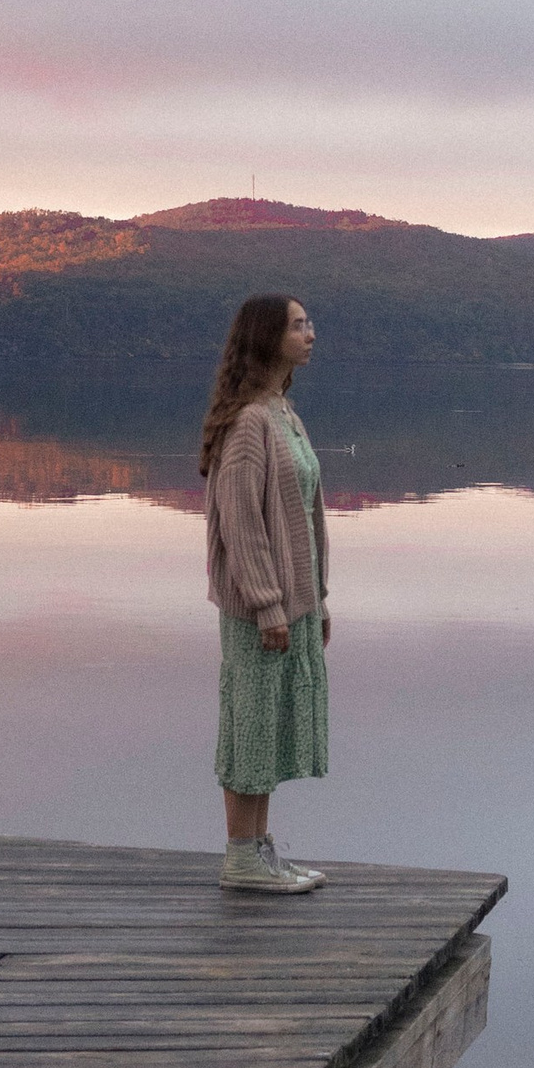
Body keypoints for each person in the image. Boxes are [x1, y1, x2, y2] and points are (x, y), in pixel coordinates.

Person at [199, 291, 329, 895]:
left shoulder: (282, 412)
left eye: (308, 324)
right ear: (268, 338)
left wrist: (317, 597)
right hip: (260, 608)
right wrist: (268, 604)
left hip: (291, 602)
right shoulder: (252, 422)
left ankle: (259, 850)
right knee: (250, 721)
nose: (311, 334)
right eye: (299, 326)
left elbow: (302, 514)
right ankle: (241, 856)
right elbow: (242, 524)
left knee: (270, 723)